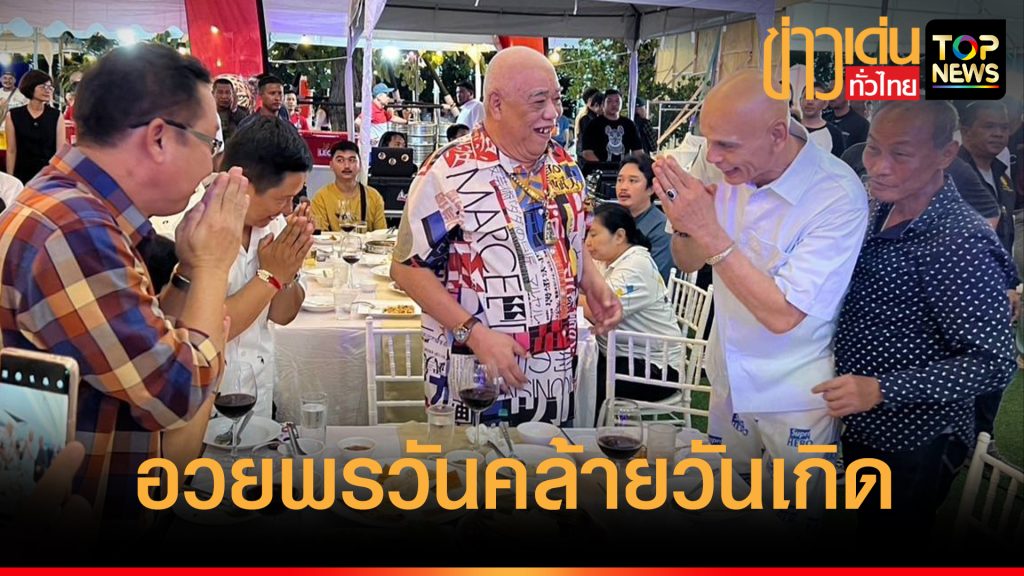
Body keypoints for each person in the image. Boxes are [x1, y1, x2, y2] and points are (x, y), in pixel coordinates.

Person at [0, 43, 247, 521]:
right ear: (159, 138)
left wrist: (189, 271)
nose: (211, 166)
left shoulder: (72, 209)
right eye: (210, 142)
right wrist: (215, 265)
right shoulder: (74, 230)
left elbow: (140, 350)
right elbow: (176, 394)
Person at [654, 70, 869, 511]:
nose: (714, 156)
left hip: (795, 393)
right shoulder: (720, 164)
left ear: (776, 134)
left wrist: (708, 231)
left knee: (790, 523)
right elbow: (687, 260)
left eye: (726, 145)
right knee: (715, 505)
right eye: (708, 141)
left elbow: (783, 314)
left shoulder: (836, 195)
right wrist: (684, 223)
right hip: (728, 375)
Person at [815, 100, 1017, 542]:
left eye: (901, 154)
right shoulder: (877, 207)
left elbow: (995, 362)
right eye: (873, 148)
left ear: (946, 154)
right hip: (864, 425)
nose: (879, 167)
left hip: (917, 439)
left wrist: (882, 389)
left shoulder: (960, 241)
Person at [390, 46, 622, 426]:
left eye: (556, 99)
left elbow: (573, 239)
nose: (553, 113)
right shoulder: (447, 172)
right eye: (539, 101)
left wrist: (595, 285)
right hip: (474, 380)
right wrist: (476, 334)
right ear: (496, 105)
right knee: (471, 463)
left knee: (546, 464)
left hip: (551, 377)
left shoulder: (564, 164)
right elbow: (407, 268)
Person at [162, 116, 313, 419]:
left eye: (293, 198)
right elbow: (206, 328)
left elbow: (282, 315)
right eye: (282, 198)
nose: (287, 209)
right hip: (200, 405)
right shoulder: (185, 228)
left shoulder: (274, 225)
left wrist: (289, 267)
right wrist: (270, 277)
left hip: (258, 395)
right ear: (243, 183)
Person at [586, 203, 683, 414]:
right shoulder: (606, 259)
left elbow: (598, 310)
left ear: (619, 236)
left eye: (593, 235)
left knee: (586, 381)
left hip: (657, 368)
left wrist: (567, 295)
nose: (587, 243)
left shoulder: (636, 265)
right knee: (579, 367)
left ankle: (595, 431)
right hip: (624, 354)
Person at [615, 155, 671, 281]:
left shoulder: (661, 228)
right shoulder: (615, 221)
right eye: (620, 180)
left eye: (632, 181)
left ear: (651, 188)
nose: (623, 187)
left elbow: (655, 278)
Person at [310, 140, 387, 232]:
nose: (346, 166)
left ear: (360, 165)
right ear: (331, 165)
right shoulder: (320, 198)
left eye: (352, 160)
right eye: (340, 160)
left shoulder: (373, 196)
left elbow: (381, 234)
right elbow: (320, 234)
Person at [4, 71, 65, 184]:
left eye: (50, 87)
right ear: (30, 88)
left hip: (48, 176)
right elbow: (11, 151)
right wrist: (11, 179)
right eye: (43, 87)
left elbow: (60, 152)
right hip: (22, 173)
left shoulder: (56, 115)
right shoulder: (13, 115)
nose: (47, 90)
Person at [580, 89, 643, 164]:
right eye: (609, 101)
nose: (614, 104)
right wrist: (602, 166)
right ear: (603, 104)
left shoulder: (629, 124)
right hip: (600, 168)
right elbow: (587, 153)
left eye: (617, 101)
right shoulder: (593, 125)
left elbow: (638, 152)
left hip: (624, 168)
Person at [800, 81, 845, 157]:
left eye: (815, 98)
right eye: (806, 96)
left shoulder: (834, 134)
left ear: (825, 104)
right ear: (800, 101)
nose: (810, 101)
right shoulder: (791, 128)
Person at [213, 77, 249, 142]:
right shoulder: (205, 112)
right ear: (213, 94)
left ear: (233, 94)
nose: (224, 96)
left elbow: (246, 127)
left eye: (228, 92)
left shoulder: (242, 112)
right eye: (220, 92)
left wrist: (234, 109)